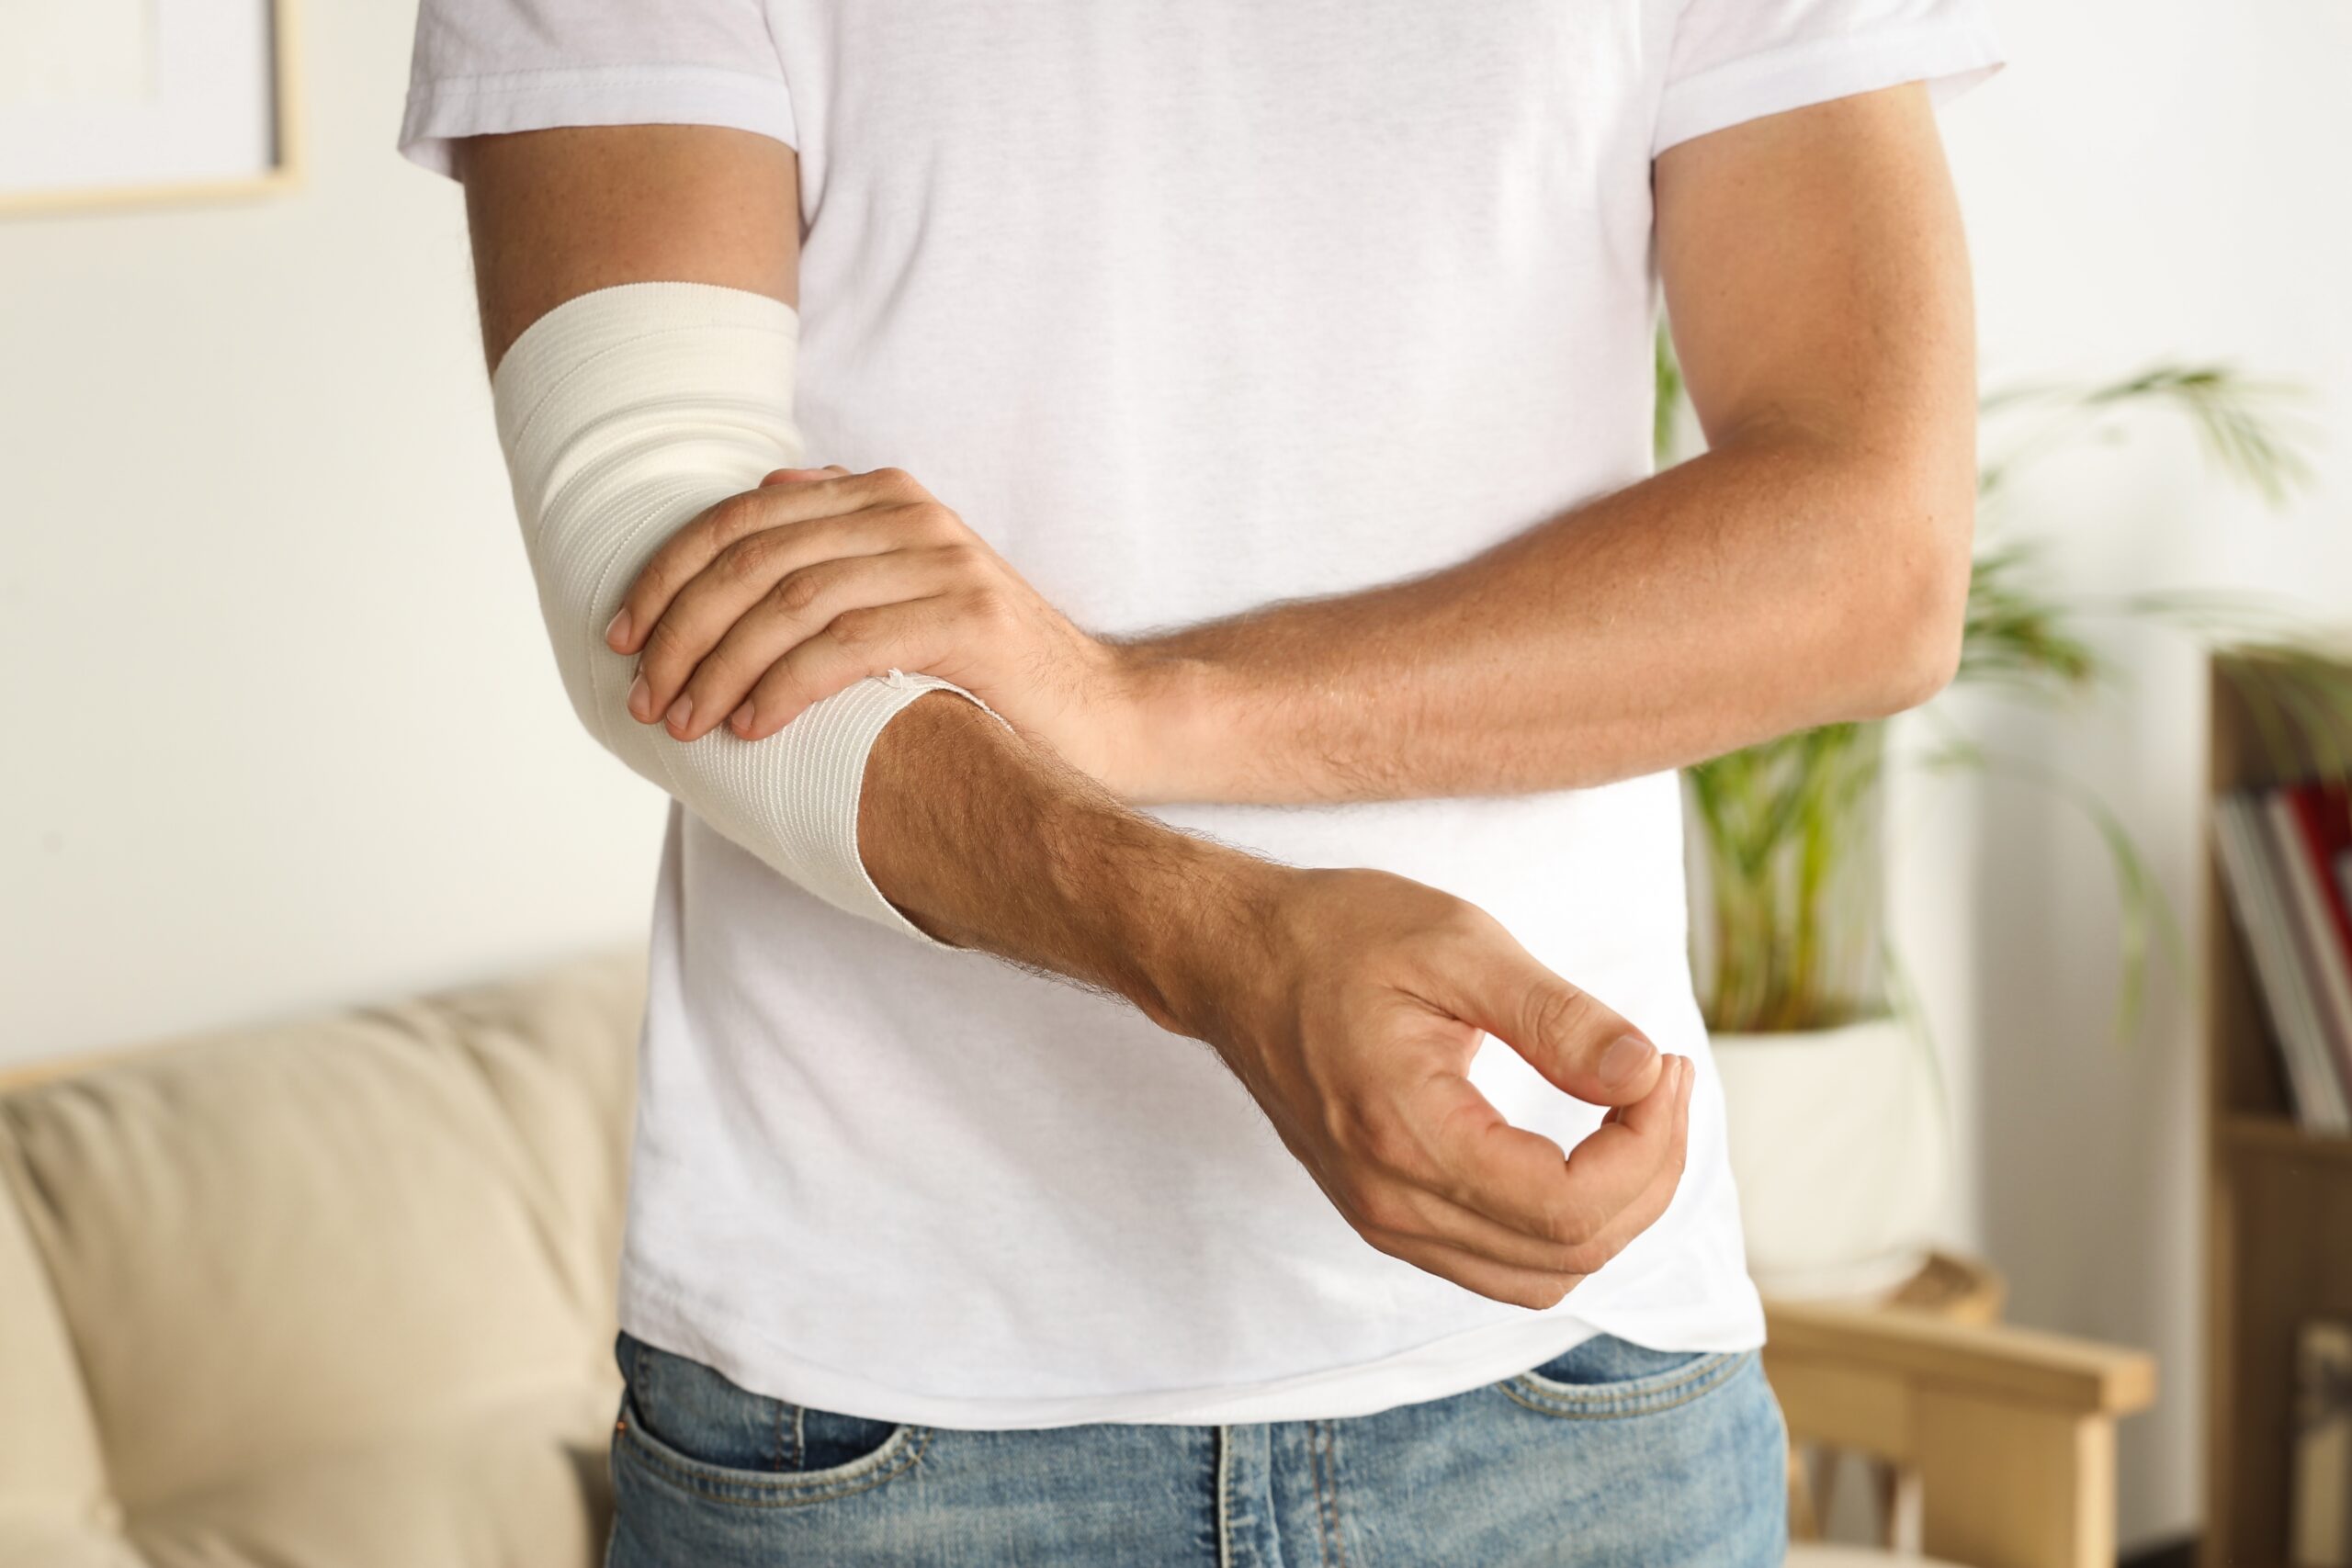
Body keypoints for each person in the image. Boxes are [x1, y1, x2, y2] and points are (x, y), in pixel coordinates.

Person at [400, 2, 2001, 1562]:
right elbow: (653, 557)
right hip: (882, 1418)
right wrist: (1222, 944)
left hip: (1572, 1385)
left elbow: (1875, 555)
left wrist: (1138, 704)